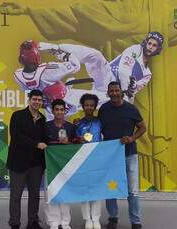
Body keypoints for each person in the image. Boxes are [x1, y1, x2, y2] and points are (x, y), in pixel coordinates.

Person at [38, 31, 164, 103]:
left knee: (88, 101)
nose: (150, 47)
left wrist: (132, 88)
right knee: (96, 56)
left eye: (154, 45)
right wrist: (127, 86)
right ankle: (58, 49)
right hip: (107, 77)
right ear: (145, 43)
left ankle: (56, 99)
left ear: (158, 49)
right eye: (149, 43)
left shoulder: (147, 74)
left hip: (115, 96)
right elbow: (123, 71)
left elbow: (132, 92)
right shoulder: (136, 49)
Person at [97, 82, 146, 229]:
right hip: (110, 157)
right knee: (111, 188)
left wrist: (132, 138)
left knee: (132, 190)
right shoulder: (104, 109)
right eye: (111, 91)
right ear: (108, 92)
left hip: (129, 155)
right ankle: (113, 218)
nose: (114, 93)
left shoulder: (131, 109)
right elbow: (96, 128)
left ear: (121, 92)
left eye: (116, 90)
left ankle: (136, 221)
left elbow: (142, 127)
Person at [6, 89, 47, 229]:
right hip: (18, 162)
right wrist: (36, 144)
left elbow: (45, 140)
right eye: (34, 99)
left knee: (35, 195)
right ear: (29, 100)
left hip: (36, 164)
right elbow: (16, 137)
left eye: (39, 100)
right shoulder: (17, 116)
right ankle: (15, 223)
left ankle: (33, 221)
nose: (37, 102)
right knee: (16, 195)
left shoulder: (43, 119)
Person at [44, 99, 76, 229]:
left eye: (61, 109)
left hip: (65, 165)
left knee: (65, 192)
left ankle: (65, 221)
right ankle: (53, 221)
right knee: (50, 192)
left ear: (65, 111)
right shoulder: (46, 127)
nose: (59, 112)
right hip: (50, 164)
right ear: (52, 111)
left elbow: (75, 146)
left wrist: (67, 142)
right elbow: (42, 143)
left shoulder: (71, 127)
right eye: (56, 109)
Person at [75, 94, 102, 229]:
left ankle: (96, 218)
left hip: (97, 160)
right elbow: (74, 141)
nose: (89, 107)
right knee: (84, 189)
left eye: (92, 105)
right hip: (82, 160)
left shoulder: (100, 122)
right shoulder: (77, 123)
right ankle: (87, 219)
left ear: (95, 107)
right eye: (87, 105)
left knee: (96, 189)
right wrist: (77, 140)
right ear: (83, 106)